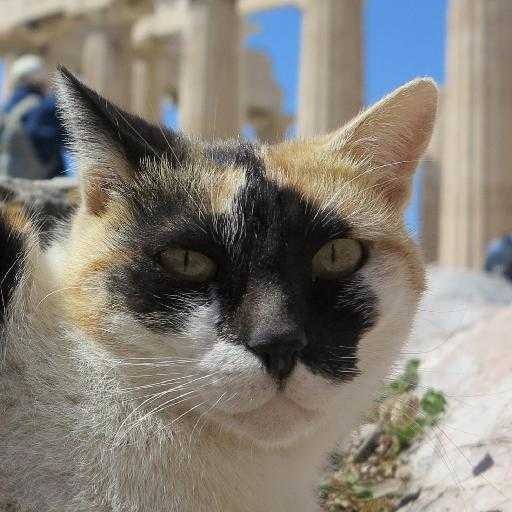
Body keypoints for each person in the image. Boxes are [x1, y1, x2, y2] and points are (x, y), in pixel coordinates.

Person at [0, 54, 65, 179]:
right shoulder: (44, 106)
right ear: (39, 79)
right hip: (42, 183)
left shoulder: (6, 109)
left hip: (7, 181)